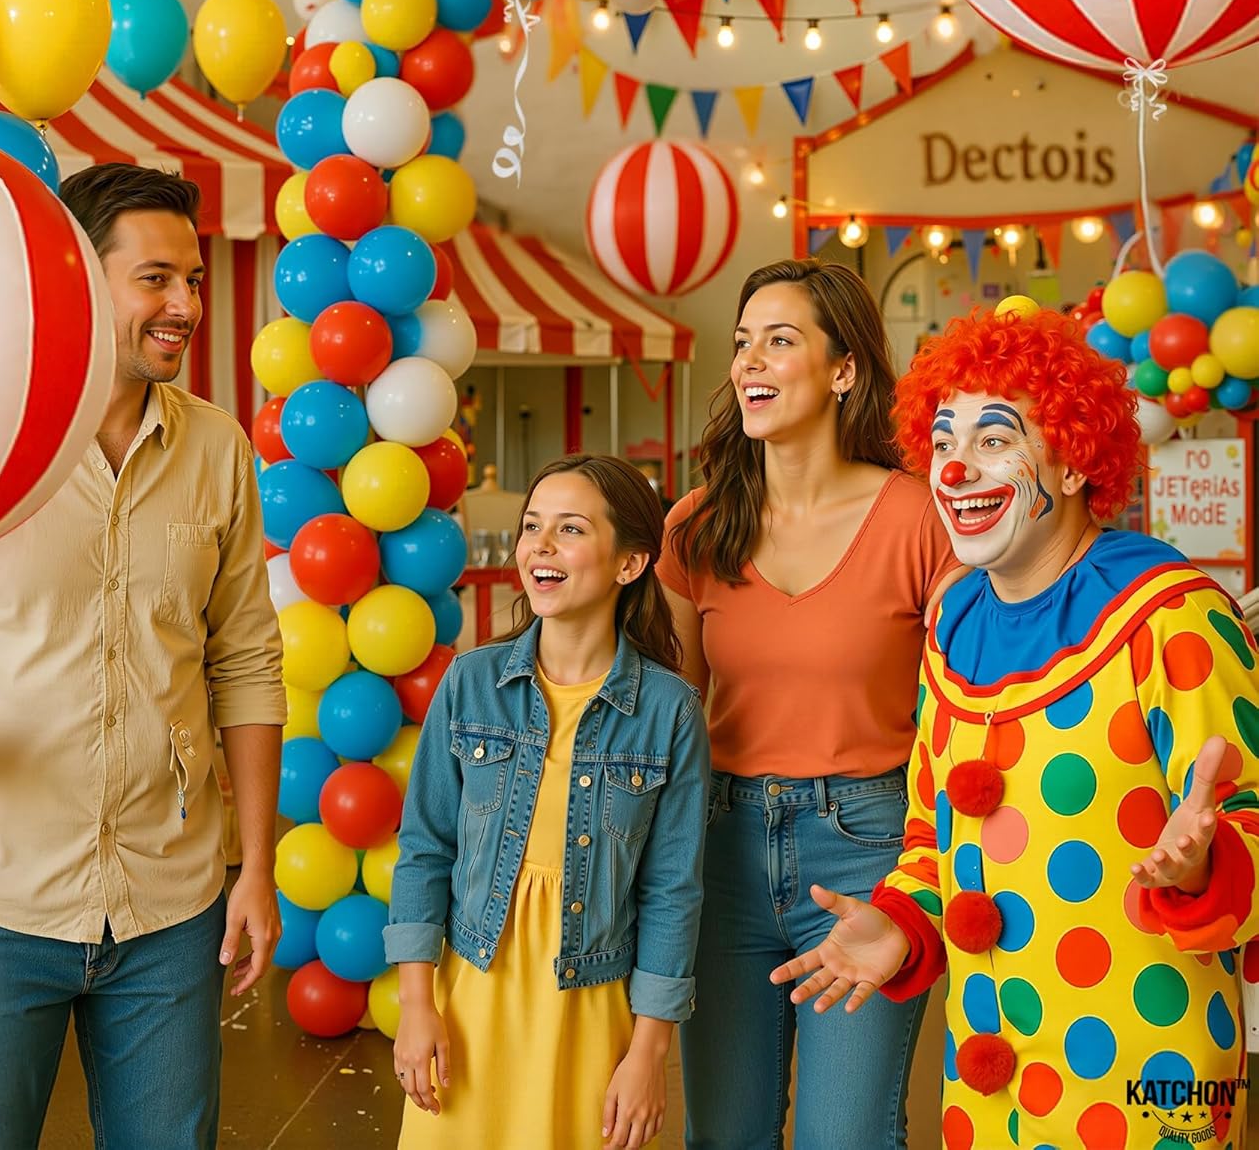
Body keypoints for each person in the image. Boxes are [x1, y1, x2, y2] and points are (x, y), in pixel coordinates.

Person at [0, 165, 286, 1150]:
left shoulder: (218, 451)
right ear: (76, 280)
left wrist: (257, 869)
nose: (186, 306)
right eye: (157, 279)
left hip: (172, 908)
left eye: (194, 281)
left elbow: (245, 663)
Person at [773, 303, 1259, 1149]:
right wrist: (904, 922)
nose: (956, 470)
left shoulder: (1169, 613)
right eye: (944, 442)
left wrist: (1205, 862)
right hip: (989, 1077)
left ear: (1071, 462)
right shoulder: (955, 620)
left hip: (1152, 1067)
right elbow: (933, 832)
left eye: (995, 440)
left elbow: (1248, 812)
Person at [661, 258, 960, 1150]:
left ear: (844, 371)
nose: (750, 361)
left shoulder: (921, 520)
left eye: (780, 341)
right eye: (743, 342)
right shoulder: (694, 529)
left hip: (868, 846)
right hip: (721, 851)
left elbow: (961, 716)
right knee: (726, 1135)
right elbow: (672, 723)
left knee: (849, 1136)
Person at [388, 454, 710, 1150]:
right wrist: (416, 1005)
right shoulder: (470, 683)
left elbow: (672, 892)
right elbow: (423, 851)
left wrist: (650, 1052)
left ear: (629, 564)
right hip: (472, 995)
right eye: (534, 526)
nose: (540, 545)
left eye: (570, 529)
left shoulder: (670, 710)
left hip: (591, 1006)